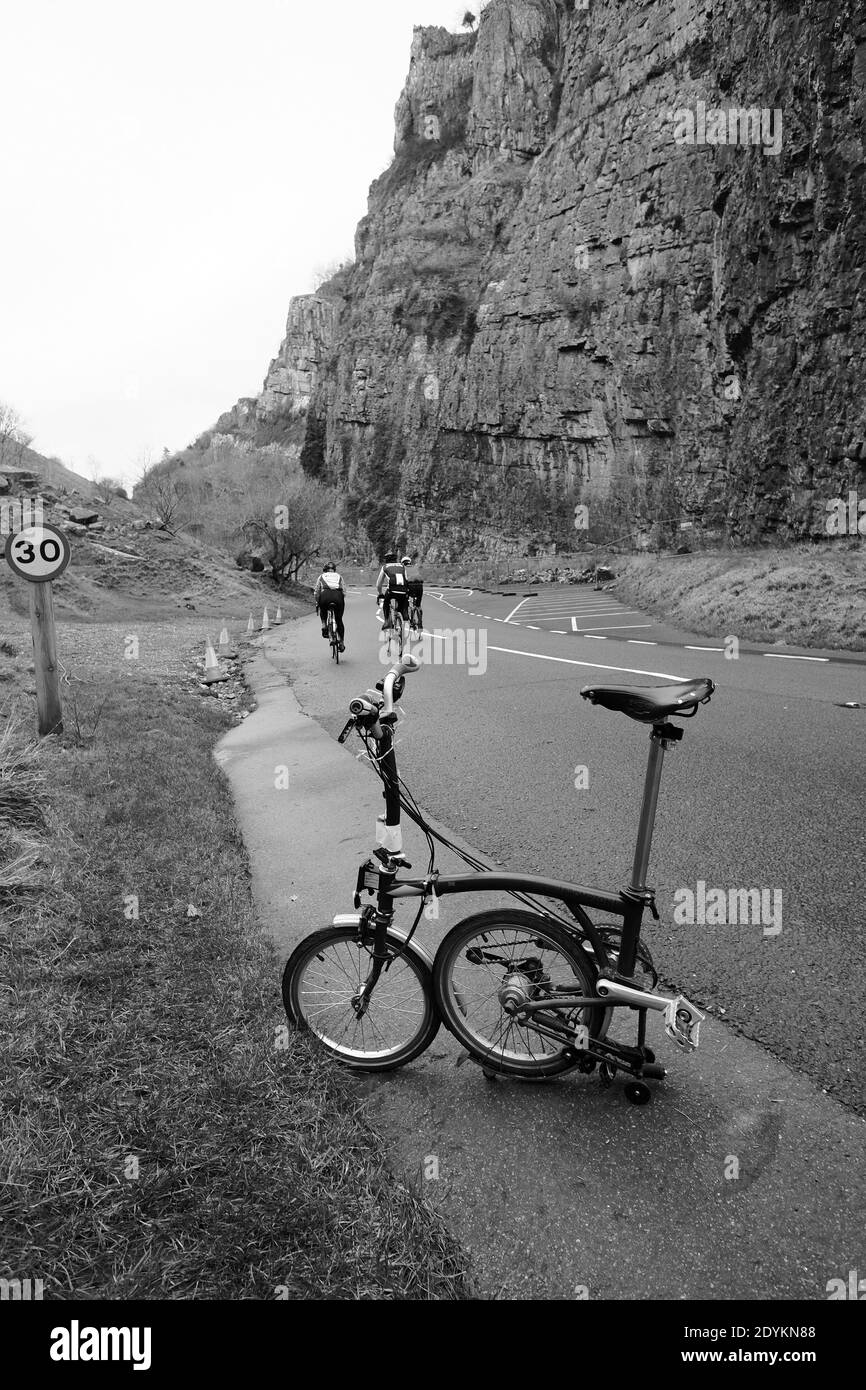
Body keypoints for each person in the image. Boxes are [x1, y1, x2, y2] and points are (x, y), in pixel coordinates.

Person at [314, 562, 345, 651]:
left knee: (323, 610)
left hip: (325, 596)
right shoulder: (339, 576)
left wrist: (317, 602)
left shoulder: (321, 576)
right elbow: (344, 591)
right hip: (338, 596)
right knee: (339, 620)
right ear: (334, 570)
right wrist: (341, 600)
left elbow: (317, 591)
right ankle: (342, 643)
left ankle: (324, 625)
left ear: (325, 570)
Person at [375, 551, 408, 630]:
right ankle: (404, 613)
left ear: (386, 560)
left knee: (386, 602)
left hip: (392, 591)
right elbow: (406, 579)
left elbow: (378, 584)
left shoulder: (385, 567)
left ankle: (387, 621)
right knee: (402, 601)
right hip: (403, 590)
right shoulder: (402, 566)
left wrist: (380, 593)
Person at [402, 554, 424, 626]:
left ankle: (410, 617)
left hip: (410, 587)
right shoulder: (415, 567)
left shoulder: (403, 569)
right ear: (410, 562)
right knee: (418, 605)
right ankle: (420, 619)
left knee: (405, 600)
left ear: (402, 563)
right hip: (420, 586)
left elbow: (402, 581)